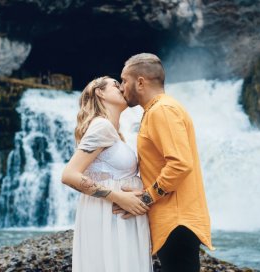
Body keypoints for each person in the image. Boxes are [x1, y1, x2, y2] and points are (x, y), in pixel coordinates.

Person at [116, 53, 213, 272]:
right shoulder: (158, 110)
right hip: (173, 222)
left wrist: (147, 198)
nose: (122, 87)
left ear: (140, 82)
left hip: (176, 222)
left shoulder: (162, 110)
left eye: (124, 80)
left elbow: (180, 164)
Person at [61, 76, 153, 272]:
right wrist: (119, 197)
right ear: (100, 92)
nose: (122, 88)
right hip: (111, 215)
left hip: (116, 216)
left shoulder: (111, 130)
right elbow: (69, 175)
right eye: (115, 84)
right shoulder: (101, 126)